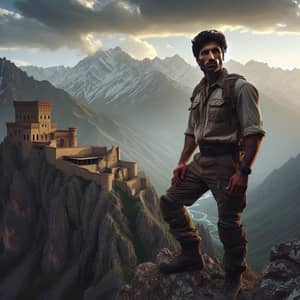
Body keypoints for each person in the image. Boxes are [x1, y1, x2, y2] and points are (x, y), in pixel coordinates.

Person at [159, 30, 266, 300]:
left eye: (215, 51)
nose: (211, 56)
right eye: (205, 52)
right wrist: (182, 162)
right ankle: (191, 254)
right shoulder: (199, 91)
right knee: (170, 202)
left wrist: (243, 170)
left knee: (228, 223)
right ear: (197, 58)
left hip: (227, 162)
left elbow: (254, 133)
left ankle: (233, 277)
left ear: (222, 54)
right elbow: (191, 132)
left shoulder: (239, 88)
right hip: (201, 160)